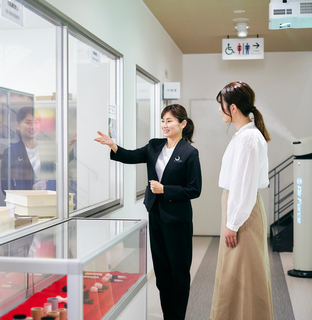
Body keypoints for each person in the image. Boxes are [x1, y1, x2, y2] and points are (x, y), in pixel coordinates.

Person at [94, 104, 202, 320]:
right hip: (155, 216)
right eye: (162, 120)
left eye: (169, 121)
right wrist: (113, 145)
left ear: (183, 124)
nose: (164, 125)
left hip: (178, 220)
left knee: (178, 274)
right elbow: (131, 156)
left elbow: (195, 189)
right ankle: (167, 316)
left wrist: (165, 190)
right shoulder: (154, 146)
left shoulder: (189, 153)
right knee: (162, 274)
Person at [210, 81, 273, 320]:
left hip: (242, 212)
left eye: (221, 105)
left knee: (244, 273)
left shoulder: (249, 138)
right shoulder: (244, 136)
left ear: (233, 107)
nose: (219, 110)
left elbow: (244, 187)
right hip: (238, 209)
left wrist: (233, 223)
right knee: (235, 273)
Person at [1, 106, 47, 194]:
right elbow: (5, 188)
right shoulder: (10, 153)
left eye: (36, 122)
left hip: (47, 201)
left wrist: (69, 147)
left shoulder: (46, 149)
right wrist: (31, 189)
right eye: (28, 122)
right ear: (17, 125)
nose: (33, 127)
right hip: (23, 204)